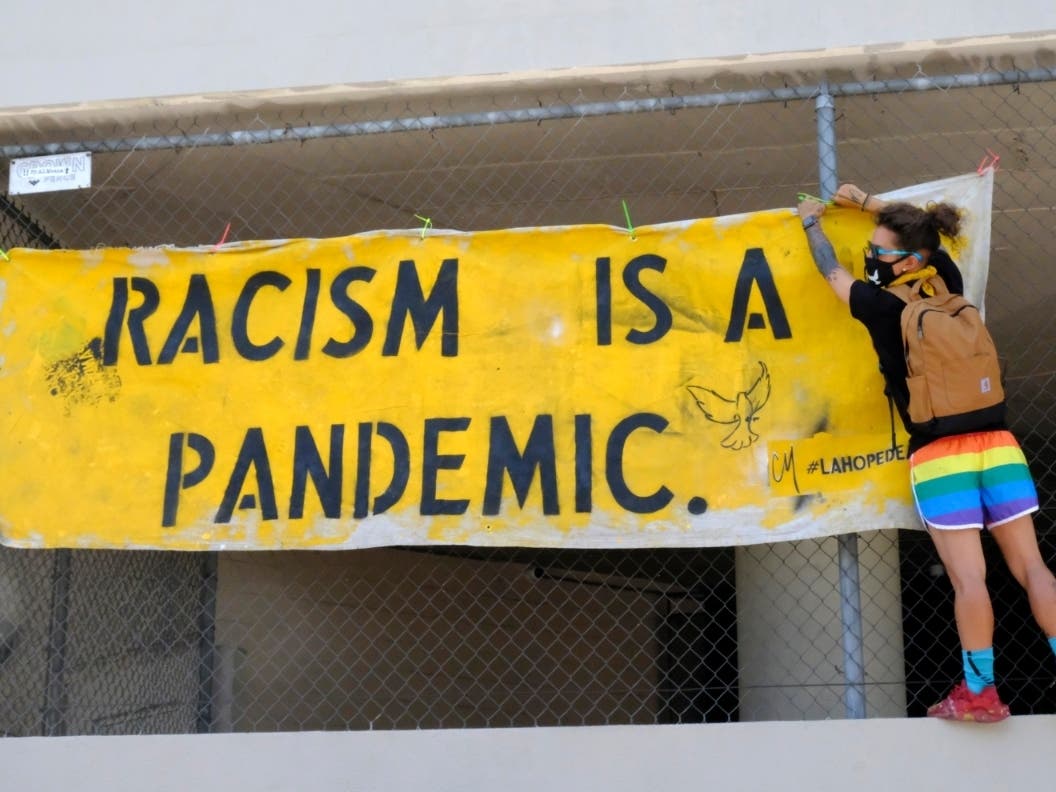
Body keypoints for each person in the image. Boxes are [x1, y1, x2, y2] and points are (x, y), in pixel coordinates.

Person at [796, 183, 1056, 722]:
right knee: (1033, 568)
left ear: (907, 259)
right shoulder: (948, 280)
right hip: (999, 444)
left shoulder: (879, 305)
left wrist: (811, 224)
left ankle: (981, 693)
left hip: (941, 456)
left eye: (879, 251)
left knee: (969, 580)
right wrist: (869, 203)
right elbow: (930, 242)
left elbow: (831, 274)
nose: (871, 256)